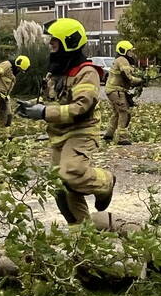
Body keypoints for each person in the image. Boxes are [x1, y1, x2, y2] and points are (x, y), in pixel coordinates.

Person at [16, 19, 114, 224]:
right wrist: (33, 108)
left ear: (69, 43)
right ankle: (81, 233)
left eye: (55, 42)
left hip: (81, 132)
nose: (51, 46)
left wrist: (44, 113)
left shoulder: (86, 73)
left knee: (71, 173)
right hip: (59, 134)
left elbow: (80, 109)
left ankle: (105, 182)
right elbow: (52, 100)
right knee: (60, 187)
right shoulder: (55, 71)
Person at [103, 40, 143, 146]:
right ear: (124, 51)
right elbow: (128, 77)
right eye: (130, 51)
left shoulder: (120, 60)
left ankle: (109, 134)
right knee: (124, 112)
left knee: (116, 113)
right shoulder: (123, 60)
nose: (132, 54)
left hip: (111, 90)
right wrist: (139, 81)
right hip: (116, 91)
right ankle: (122, 138)